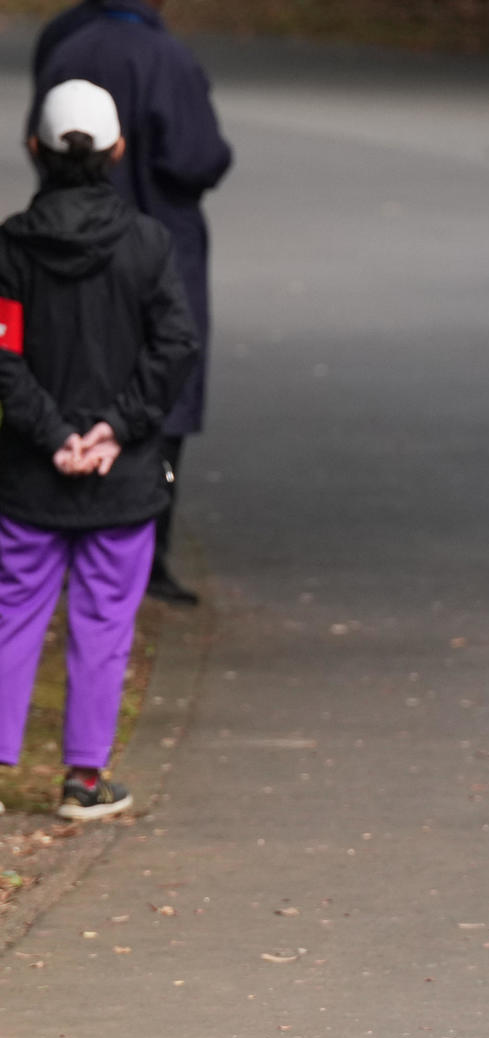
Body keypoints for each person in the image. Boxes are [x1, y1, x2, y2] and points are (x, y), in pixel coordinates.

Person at [0, 80, 199, 821]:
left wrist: (53, 435)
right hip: (125, 478)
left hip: (28, 476)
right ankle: (84, 778)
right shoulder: (148, 244)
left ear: (35, 148)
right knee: (105, 627)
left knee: (10, 614)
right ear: (118, 151)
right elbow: (176, 343)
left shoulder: (10, 249)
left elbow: (3, 358)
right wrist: (116, 427)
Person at [30, 0, 233, 606]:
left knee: (69, 380)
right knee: (160, 391)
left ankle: (62, 539)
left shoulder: (62, 45)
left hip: (62, 244)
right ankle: (146, 556)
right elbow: (197, 157)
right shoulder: (168, 57)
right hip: (158, 244)